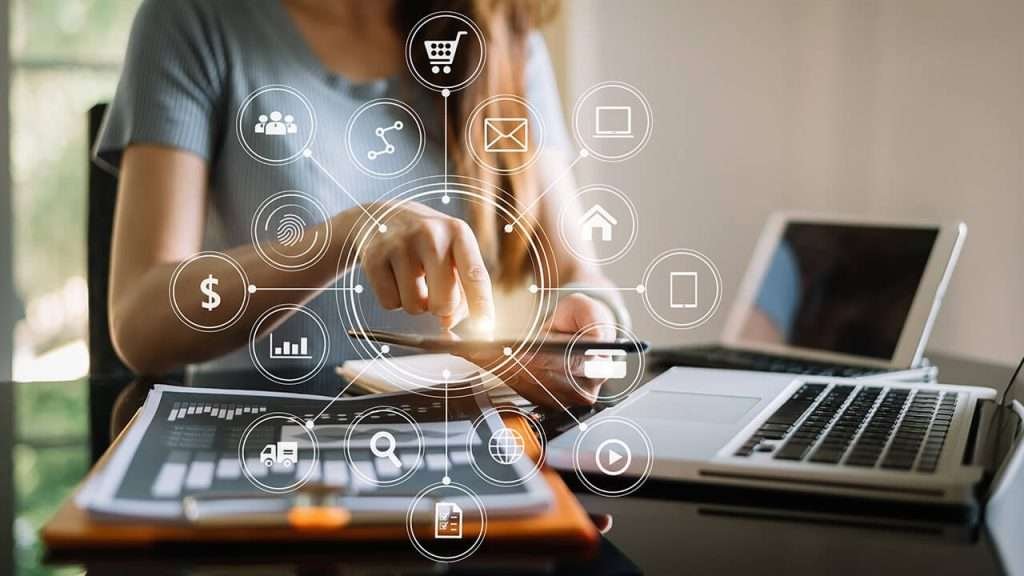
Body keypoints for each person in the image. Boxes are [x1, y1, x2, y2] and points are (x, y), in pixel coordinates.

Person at [96, 0, 628, 407]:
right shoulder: (192, 19)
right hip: (261, 449)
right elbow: (140, 320)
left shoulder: (500, 35)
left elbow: (579, 271)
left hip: (450, 456)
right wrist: (348, 235)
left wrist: (593, 326)